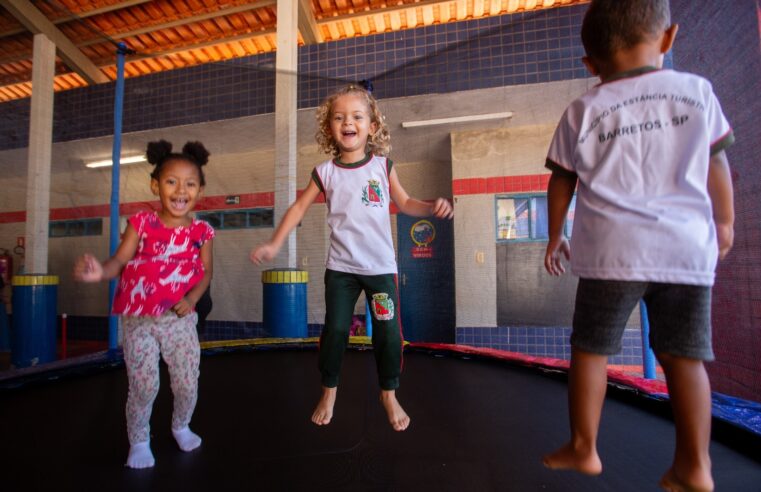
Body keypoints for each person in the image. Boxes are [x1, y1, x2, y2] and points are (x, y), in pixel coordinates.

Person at [541, 1, 735, 491]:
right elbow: (717, 165)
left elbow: (561, 181)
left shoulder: (584, 108)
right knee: (684, 359)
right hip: (686, 249)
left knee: (590, 350)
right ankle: (695, 466)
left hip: (612, 252)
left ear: (590, 64)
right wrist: (725, 223)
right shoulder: (696, 93)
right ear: (667, 39)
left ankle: (584, 448)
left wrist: (556, 233)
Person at [250, 85, 453, 431]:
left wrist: (430, 206)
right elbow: (298, 208)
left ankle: (388, 392)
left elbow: (405, 204)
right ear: (330, 128)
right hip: (341, 269)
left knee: (388, 333)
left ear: (372, 127)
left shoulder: (382, 167)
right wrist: (274, 244)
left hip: (380, 269)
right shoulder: (325, 172)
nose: (348, 123)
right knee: (337, 330)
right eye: (339, 117)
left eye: (357, 117)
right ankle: (328, 390)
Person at [74, 140, 215, 469]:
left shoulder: (202, 231)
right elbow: (118, 262)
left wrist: (192, 299)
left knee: (186, 381)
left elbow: (206, 273)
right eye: (171, 182)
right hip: (138, 320)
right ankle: (138, 439)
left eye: (189, 183)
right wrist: (99, 273)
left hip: (179, 319)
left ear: (200, 190)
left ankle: (180, 425)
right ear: (155, 185)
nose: (181, 190)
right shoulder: (141, 223)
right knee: (144, 384)